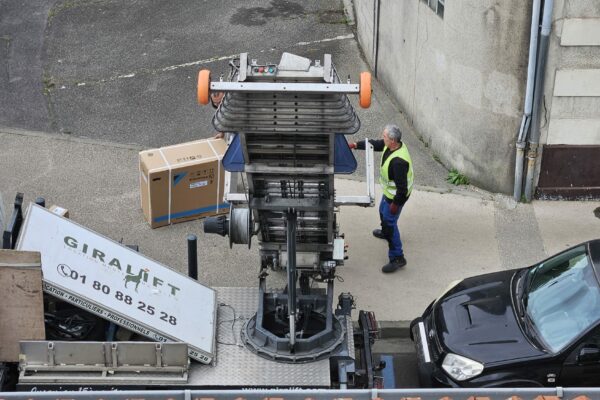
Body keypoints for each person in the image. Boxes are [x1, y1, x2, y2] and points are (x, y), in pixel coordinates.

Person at [349, 124, 414, 273]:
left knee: (390, 223)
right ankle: (386, 231)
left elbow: (402, 190)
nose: (382, 137)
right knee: (382, 212)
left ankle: (398, 257)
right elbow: (375, 144)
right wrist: (355, 145)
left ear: (392, 140)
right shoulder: (392, 146)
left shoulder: (399, 162)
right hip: (390, 193)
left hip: (396, 197)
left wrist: (395, 205)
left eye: (384, 136)